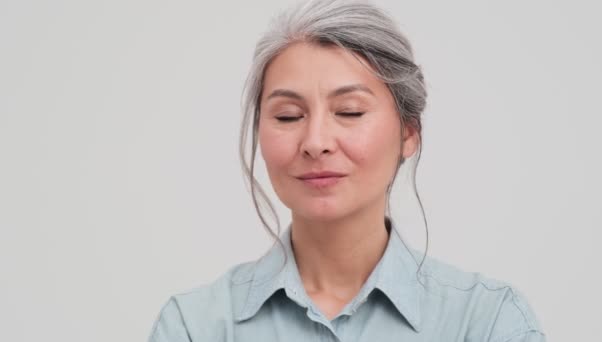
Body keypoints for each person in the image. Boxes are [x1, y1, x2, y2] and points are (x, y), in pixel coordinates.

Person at [148, 0, 546, 341]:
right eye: (288, 116)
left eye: (349, 111)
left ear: (409, 132)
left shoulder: (487, 321)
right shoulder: (195, 326)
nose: (315, 141)